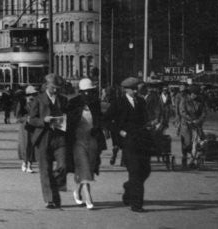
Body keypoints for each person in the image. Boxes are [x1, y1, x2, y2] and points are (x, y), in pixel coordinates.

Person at [107, 76, 152, 213]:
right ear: (129, 89)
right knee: (135, 171)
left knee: (145, 170)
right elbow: (107, 120)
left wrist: (150, 126)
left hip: (142, 140)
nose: (138, 90)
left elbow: (145, 119)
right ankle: (136, 204)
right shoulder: (118, 102)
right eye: (136, 87)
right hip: (128, 142)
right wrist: (119, 131)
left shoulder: (141, 102)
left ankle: (128, 188)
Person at [27, 73, 69, 209]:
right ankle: (50, 199)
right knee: (45, 170)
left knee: (63, 166)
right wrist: (42, 121)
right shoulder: (38, 99)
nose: (56, 90)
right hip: (43, 138)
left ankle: (54, 189)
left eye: (58, 88)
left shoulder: (63, 100)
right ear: (46, 85)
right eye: (53, 87)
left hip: (59, 137)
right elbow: (31, 119)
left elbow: (68, 115)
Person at [68, 78, 104, 210]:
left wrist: (99, 128)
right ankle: (88, 196)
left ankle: (77, 191)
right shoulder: (73, 103)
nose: (89, 94)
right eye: (86, 92)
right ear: (81, 92)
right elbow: (69, 121)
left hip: (92, 139)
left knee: (89, 167)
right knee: (83, 166)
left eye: (91, 91)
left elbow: (99, 119)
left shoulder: (95, 103)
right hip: (78, 140)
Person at [176, 84, 207, 169]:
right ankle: (185, 160)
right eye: (194, 94)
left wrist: (198, 120)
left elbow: (204, 113)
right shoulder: (184, 100)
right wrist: (190, 119)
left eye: (197, 94)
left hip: (196, 125)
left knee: (197, 143)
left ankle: (192, 161)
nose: (196, 96)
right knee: (187, 143)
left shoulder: (200, 101)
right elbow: (182, 111)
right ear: (190, 93)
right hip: (186, 124)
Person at [16, 84, 37, 173]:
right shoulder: (22, 102)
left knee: (33, 144)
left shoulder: (37, 102)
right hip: (24, 127)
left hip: (33, 126)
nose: (33, 96)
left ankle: (30, 164)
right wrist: (25, 119)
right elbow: (18, 116)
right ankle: (24, 162)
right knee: (25, 145)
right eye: (32, 94)